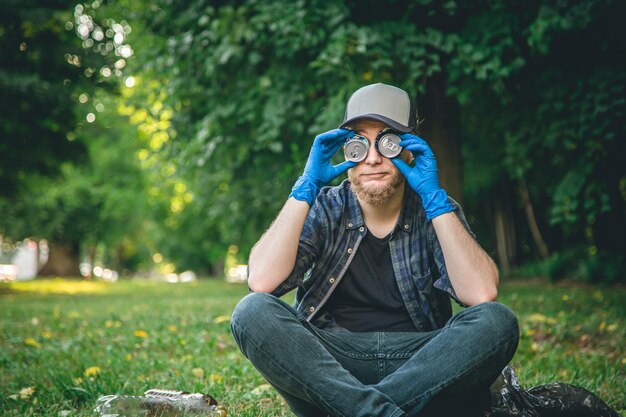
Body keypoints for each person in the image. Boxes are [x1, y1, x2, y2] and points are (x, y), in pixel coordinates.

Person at [231, 83, 519, 417]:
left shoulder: (436, 209)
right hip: (331, 367)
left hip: (420, 365)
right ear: (344, 148)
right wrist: (304, 188)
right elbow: (262, 282)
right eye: (359, 143)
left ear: (409, 149)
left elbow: (482, 293)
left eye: (388, 142)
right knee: (251, 312)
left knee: (498, 321)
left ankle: (354, 410)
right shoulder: (324, 208)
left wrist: (434, 199)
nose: (372, 158)